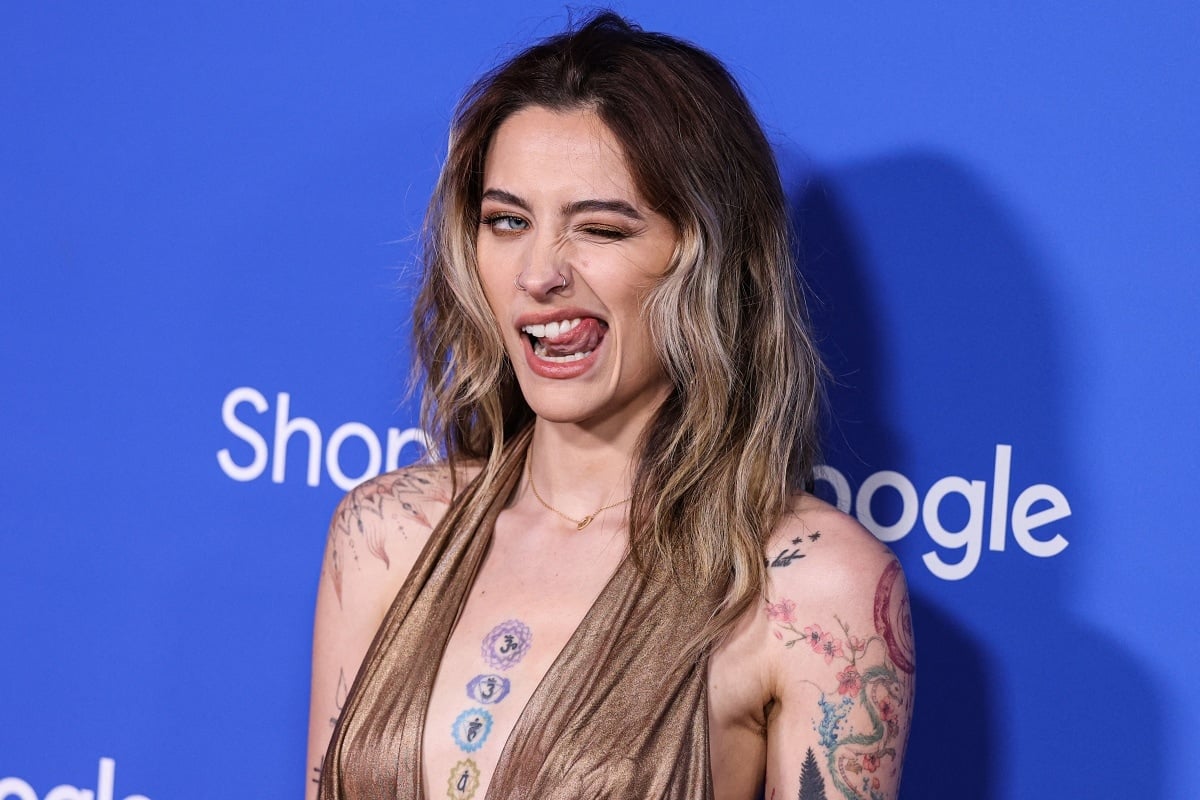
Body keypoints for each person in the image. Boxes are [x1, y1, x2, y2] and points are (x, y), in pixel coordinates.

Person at [307, 11, 913, 800]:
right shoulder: (382, 535)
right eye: (507, 221)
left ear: (706, 262)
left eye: (599, 228)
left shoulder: (815, 590)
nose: (538, 273)